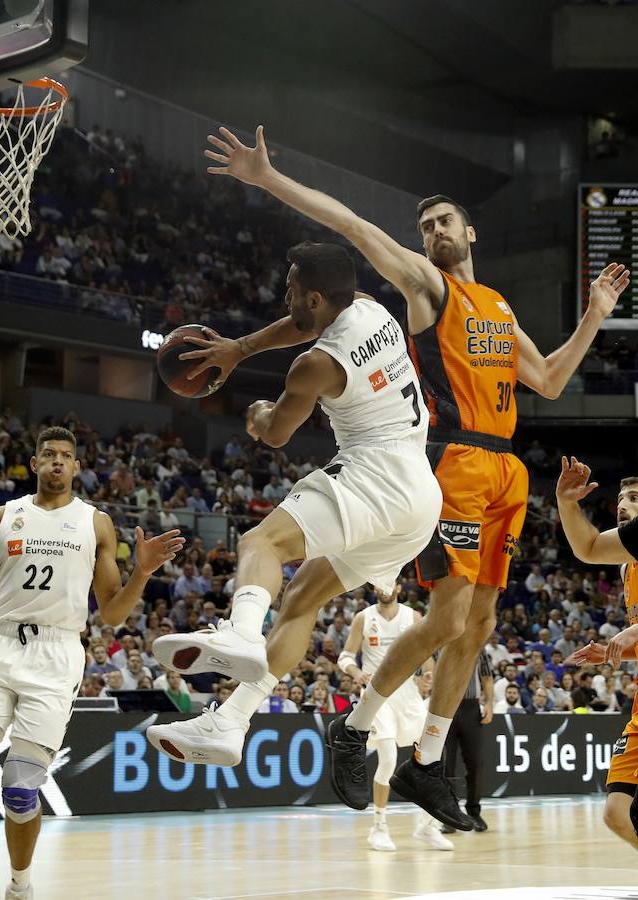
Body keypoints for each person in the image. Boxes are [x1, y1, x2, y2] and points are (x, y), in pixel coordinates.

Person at [170, 123, 630, 826]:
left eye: (444, 221)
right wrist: (269, 180)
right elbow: (351, 227)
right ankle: (359, 727)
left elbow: (551, 379)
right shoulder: (426, 289)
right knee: (441, 616)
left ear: (470, 232)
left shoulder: (500, 310)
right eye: (424, 225)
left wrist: (594, 315)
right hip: (445, 461)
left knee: (475, 627)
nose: (433, 231)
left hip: (505, 469)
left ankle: (425, 763)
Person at [148, 241, 442, 768]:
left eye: (289, 291)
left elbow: (278, 434)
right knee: (301, 599)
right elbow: (301, 325)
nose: (284, 298)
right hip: (419, 495)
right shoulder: (372, 309)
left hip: (375, 475)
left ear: (311, 296)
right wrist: (239, 348)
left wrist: (260, 412)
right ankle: (230, 723)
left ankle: (239, 632)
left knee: (261, 542)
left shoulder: (314, 367)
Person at [0, 426, 184, 900]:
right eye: (48, 454)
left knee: (20, 790)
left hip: (57, 654)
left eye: (65, 455)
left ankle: (20, 885)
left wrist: (141, 572)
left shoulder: (95, 523)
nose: (57, 462)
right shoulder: (4, 516)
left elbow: (113, 612)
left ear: (77, 467)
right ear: (35, 463)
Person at [555, 457, 638, 852]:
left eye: (635, 498)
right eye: (621, 498)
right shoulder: (627, 566)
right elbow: (587, 547)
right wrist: (567, 502)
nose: (623, 505)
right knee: (617, 815)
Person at [336, 582, 448, 852]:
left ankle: (427, 825)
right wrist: (355, 673)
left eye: (390, 581)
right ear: (374, 587)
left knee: (431, 755)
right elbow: (345, 656)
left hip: (408, 694)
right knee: (388, 757)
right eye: (379, 582)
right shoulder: (364, 617)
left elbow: (426, 654)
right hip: (377, 694)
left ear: (398, 585)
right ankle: (378, 827)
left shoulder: (413, 617)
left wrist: (428, 675)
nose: (384, 587)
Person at [443, 652, 493, 834]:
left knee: (475, 763)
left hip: (471, 707)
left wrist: (489, 704)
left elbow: (487, 678)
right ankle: (450, 815)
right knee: (446, 765)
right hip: (444, 705)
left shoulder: (479, 647)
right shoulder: (439, 644)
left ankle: (474, 811)